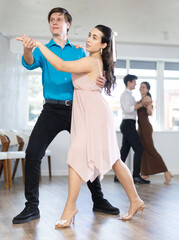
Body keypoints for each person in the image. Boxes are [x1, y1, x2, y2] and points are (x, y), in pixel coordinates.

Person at [17, 24, 145, 226]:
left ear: (103, 45)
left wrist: (40, 45)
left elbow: (60, 65)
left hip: (94, 113)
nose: (89, 39)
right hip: (87, 111)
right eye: (89, 35)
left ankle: (75, 207)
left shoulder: (91, 62)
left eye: (95, 37)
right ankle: (128, 201)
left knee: (110, 158)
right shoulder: (93, 59)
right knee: (96, 157)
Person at [117, 74, 150, 184]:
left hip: (129, 124)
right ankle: (136, 176)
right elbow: (128, 109)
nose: (136, 84)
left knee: (125, 150)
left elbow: (132, 105)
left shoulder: (129, 96)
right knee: (139, 149)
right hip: (128, 125)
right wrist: (141, 104)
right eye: (134, 82)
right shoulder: (125, 95)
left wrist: (139, 102)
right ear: (129, 83)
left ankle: (118, 176)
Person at [137, 82, 173, 184]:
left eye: (143, 87)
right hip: (141, 128)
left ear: (148, 89)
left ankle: (166, 171)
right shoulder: (142, 99)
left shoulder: (147, 98)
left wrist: (148, 106)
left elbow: (150, 112)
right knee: (144, 150)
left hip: (145, 128)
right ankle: (145, 174)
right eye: (140, 87)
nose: (141, 88)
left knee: (151, 149)